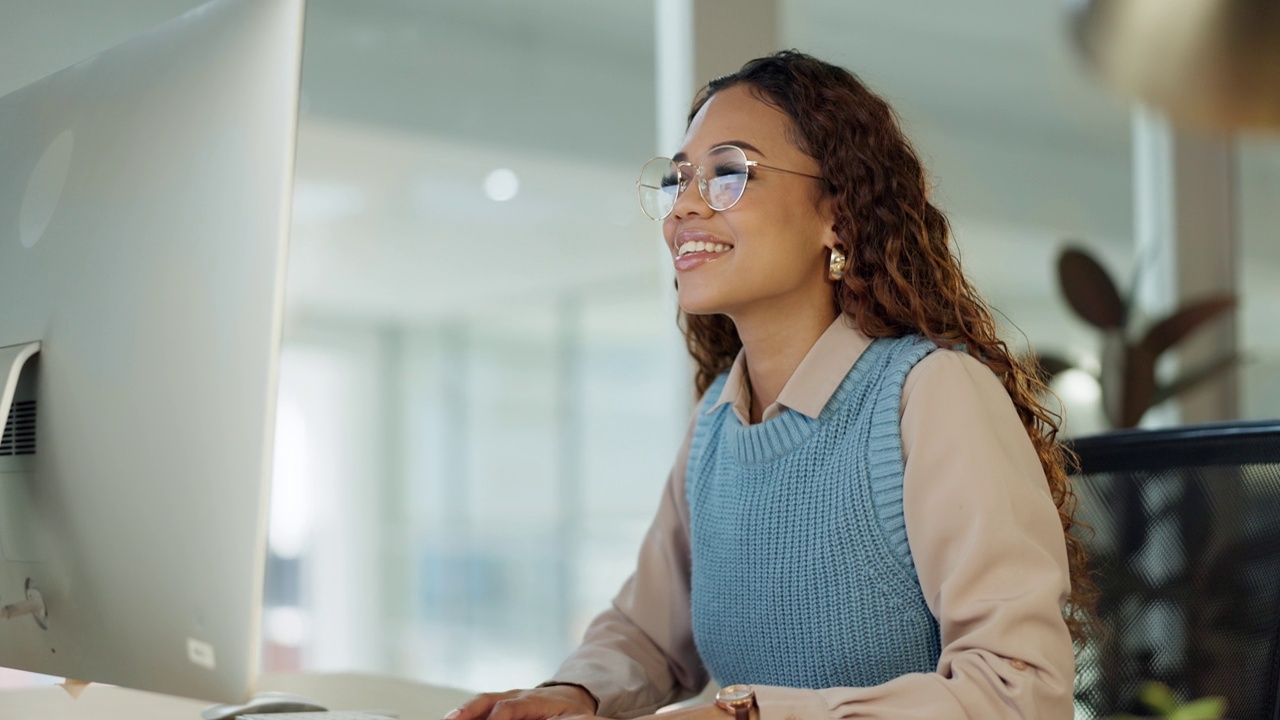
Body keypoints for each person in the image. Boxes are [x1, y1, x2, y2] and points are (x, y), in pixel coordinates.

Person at [449, 50, 1093, 720]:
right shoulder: (717, 424)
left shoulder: (931, 393)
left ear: (837, 217)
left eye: (729, 173)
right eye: (679, 180)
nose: (683, 209)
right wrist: (572, 694)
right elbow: (647, 636)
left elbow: (1022, 695)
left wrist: (755, 716)